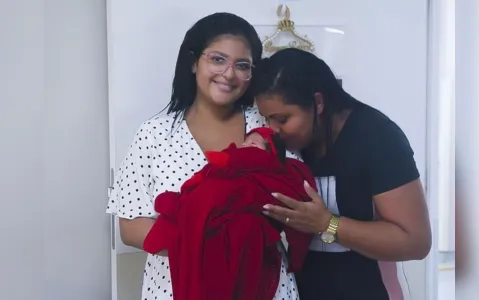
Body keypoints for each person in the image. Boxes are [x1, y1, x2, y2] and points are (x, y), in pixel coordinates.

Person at [106, 13, 301, 300]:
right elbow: (131, 227)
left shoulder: (266, 125)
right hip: (175, 288)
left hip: (262, 286)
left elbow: (297, 199)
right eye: (218, 59)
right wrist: (214, 245)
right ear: (194, 62)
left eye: (242, 65)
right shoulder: (154, 134)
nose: (229, 73)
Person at [252, 48, 432, 300]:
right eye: (267, 119)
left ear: (318, 102)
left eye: (282, 118)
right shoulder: (286, 145)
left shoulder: (377, 137)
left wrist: (327, 224)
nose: (273, 129)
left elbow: (416, 242)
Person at [142, 127, 315, 300]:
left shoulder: (273, 165)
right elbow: (201, 181)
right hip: (200, 232)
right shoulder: (153, 133)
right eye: (244, 143)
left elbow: (287, 197)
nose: (246, 146)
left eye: (254, 143)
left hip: (243, 247)